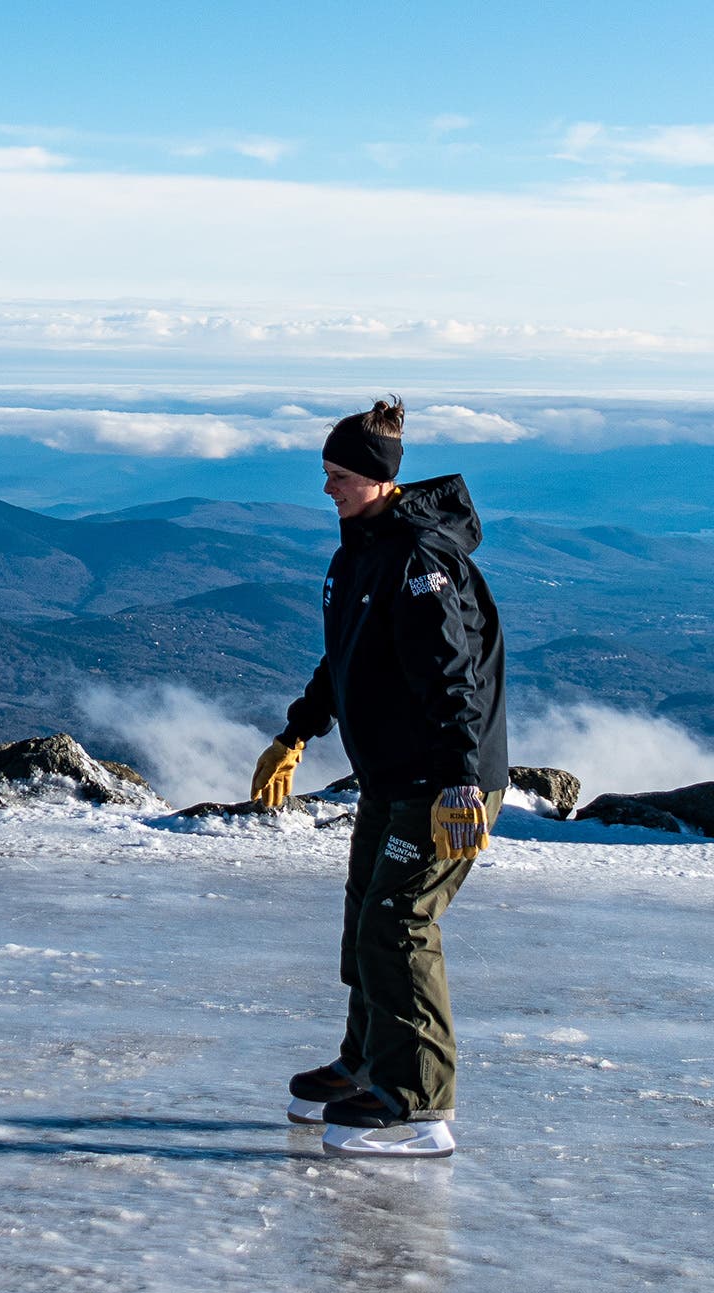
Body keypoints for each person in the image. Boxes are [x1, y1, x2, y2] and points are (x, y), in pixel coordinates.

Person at [249, 397, 508, 1158]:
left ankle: (418, 1104)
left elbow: (454, 675)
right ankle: (368, 1065)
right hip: (395, 778)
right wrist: (297, 731)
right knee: (368, 915)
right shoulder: (361, 552)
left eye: (338, 475)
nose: (326, 488)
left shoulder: (419, 560)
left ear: (378, 479)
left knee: (399, 925)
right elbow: (348, 658)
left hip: (442, 784)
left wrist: (463, 779)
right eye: (326, 473)